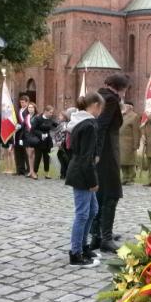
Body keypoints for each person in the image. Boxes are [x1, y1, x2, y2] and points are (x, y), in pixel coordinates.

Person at [64, 92, 104, 267]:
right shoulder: (89, 125)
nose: (101, 112)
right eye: (101, 108)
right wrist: (93, 182)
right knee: (82, 214)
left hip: (80, 169)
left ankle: (83, 246)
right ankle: (76, 253)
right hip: (82, 173)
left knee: (93, 209)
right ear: (95, 105)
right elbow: (87, 157)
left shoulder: (81, 121)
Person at [91, 73, 130, 253]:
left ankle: (97, 235)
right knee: (112, 194)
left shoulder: (99, 96)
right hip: (106, 153)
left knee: (100, 194)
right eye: (125, 89)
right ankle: (105, 238)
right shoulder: (111, 100)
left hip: (103, 151)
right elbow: (101, 126)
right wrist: (98, 153)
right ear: (120, 88)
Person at [32, 105, 58, 179]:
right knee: (38, 157)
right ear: (45, 111)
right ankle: (35, 173)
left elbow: (56, 125)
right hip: (39, 141)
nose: (51, 114)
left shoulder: (51, 119)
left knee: (46, 157)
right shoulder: (38, 118)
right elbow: (33, 129)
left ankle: (46, 173)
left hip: (47, 141)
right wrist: (41, 134)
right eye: (50, 112)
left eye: (52, 112)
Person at [119, 102, 141, 185]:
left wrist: (136, 143)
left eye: (125, 106)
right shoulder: (122, 115)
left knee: (130, 161)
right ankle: (125, 177)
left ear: (130, 107)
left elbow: (136, 131)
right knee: (122, 161)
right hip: (120, 142)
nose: (124, 107)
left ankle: (131, 178)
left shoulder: (134, 116)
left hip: (129, 142)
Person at [55, 108, 75, 179]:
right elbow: (56, 133)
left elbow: (64, 134)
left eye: (60, 116)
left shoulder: (65, 124)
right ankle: (63, 173)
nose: (59, 117)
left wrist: (60, 142)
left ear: (65, 117)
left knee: (65, 158)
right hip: (62, 143)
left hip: (65, 144)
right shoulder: (60, 124)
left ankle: (65, 174)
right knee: (62, 157)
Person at [14, 95, 30, 176]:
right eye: (21, 102)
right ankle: (19, 169)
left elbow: (28, 122)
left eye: (23, 102)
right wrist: (16, 125)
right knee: (18, 151)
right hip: (18, 133)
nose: (22, 104)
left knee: (25, 152)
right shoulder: (18, 111)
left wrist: (21, 125)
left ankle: (28, 170)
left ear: (27, 102)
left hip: (25, 134)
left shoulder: (28, 111)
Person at [23, 102, 40, 178]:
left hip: (34, 137)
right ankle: (31, 171)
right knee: (29, 155)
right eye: (29, 107)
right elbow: (24, 126)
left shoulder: (37, 117)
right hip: (27, 137)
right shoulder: (26, 117)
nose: (30, 109)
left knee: (33, 154)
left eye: (32, 107)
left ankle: (33, 172)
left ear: (35, 109)